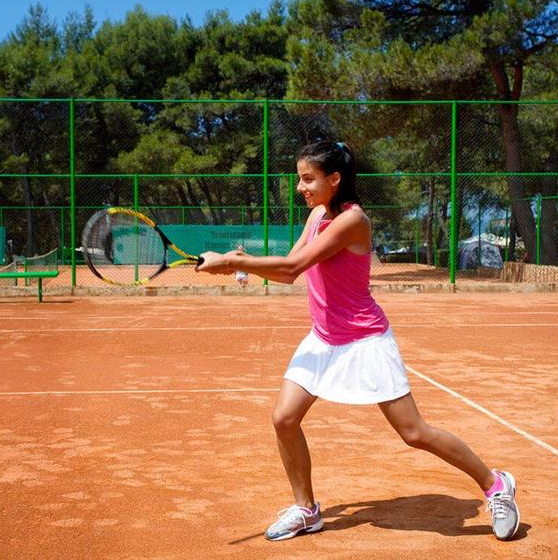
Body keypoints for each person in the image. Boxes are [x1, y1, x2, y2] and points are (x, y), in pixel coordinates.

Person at [196, 140, 520, 542]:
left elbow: (295, 266)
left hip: (364, 340)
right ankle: (306, 509)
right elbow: (286, 272)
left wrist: (233, 262)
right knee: (284, 418)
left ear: (335, 179)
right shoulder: (317, 214)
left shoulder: (353, 221)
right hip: (323, 339)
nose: (301, 187)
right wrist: (239, 263)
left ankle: (496, 484)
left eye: (308, 178)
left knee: (414, 433)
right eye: (300, 178)